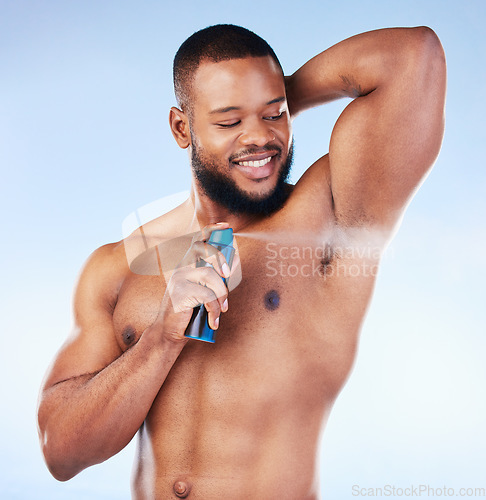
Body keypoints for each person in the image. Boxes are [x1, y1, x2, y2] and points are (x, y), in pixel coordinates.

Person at [37, 24, 446, 499]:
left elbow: (415, 56)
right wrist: (161, 339)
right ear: (181, 127)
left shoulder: (327, 220)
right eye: (228, 122)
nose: (260, 138)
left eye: (275, 115)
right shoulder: (118, 266)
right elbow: (60, 451)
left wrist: (261, 98)